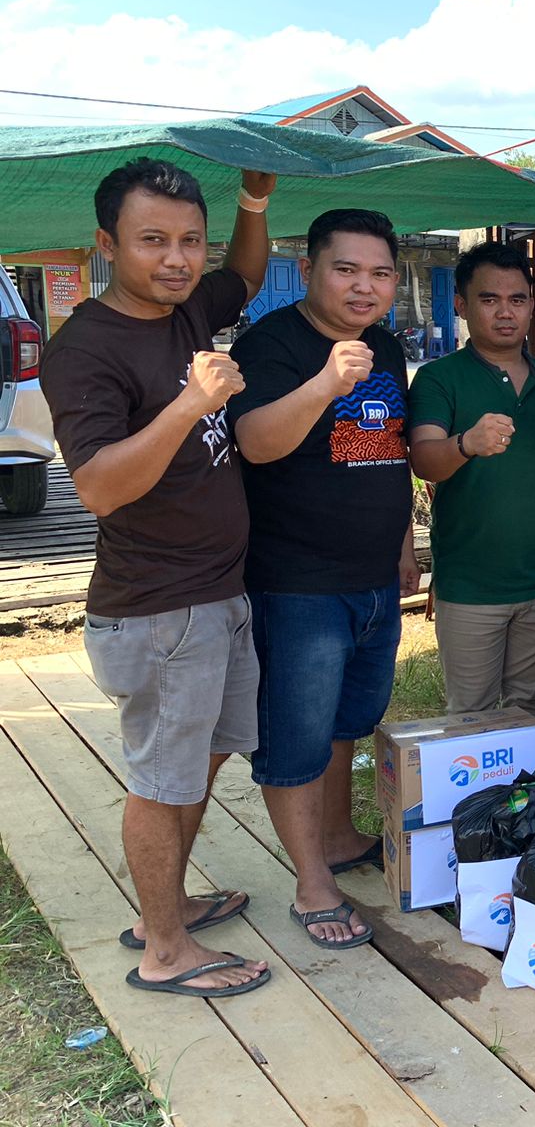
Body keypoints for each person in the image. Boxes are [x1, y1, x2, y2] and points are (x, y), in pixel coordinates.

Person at [39, 159, 274, 997]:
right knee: (160, 778)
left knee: (201, 759)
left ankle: (161, 906)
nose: (176, 260)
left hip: (217, 594)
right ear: (107, 245)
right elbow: (99, 486)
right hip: (158, 611)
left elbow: (244, 274)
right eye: (152, 242)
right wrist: (189, 405)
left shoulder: (186, 309)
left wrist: (253, 199)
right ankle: (166, 952)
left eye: (188, 241)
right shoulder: (82, 352)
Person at [230, 208, 419, 950]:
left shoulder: (387, 345)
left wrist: (404, 542)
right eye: (347, 269)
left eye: (378, 274)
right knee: (296, 738)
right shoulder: (271, 345)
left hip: (373, 576)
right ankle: (312, 884)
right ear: (308, 269)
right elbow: (254, 443)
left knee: (350, 720)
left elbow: (387, 447)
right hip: (296, 582)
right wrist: (324, 381)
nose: (363, 286)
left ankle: (338, 838)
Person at [408, 242, 535, 718]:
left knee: (533, 706)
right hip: (471, 585)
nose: (505, 312)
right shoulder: (438, 379)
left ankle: (532, 795)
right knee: (471, 713)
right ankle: (477, 797)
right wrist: (466, 443)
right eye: (489, 300)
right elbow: (424, 461)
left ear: (532, 305)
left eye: (517, 299)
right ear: (462, 307)